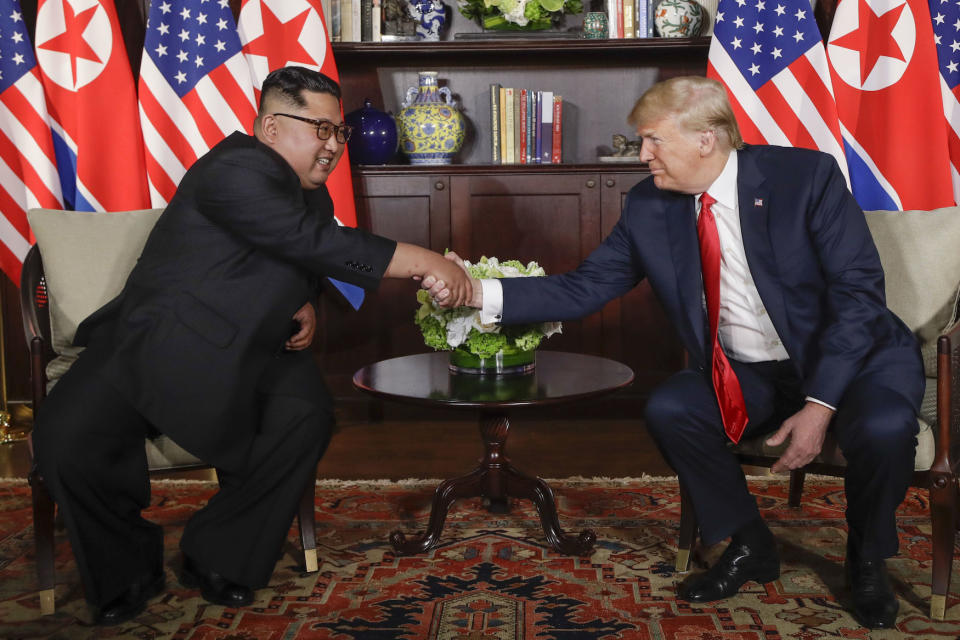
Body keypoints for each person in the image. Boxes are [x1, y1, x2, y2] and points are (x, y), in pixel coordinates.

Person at [430, 76, 924, 629]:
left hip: (855, 360)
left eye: (652, 141)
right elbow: (585, 287)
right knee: (672, 408)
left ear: (706, 139)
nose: (642, 156)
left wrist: (821, 405)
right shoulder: (649, 206)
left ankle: (867, 556)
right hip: (750, 369)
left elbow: (859, 297)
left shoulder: (805, 177)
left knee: (883, 427)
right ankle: (750, 542)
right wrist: (477, 292)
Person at [32, 66, 468, 625]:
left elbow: (293, 256)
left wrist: (302, 299)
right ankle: (126, 570)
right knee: (66, 439)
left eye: (340, 133)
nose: (334, 145)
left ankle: (217, 554)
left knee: (305, 417)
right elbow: (311, 241)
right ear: (269, 128)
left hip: (253, 343)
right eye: (321, 129)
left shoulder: (303, 189)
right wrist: (426, 261)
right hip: (157, 338)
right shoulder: (236, 167)